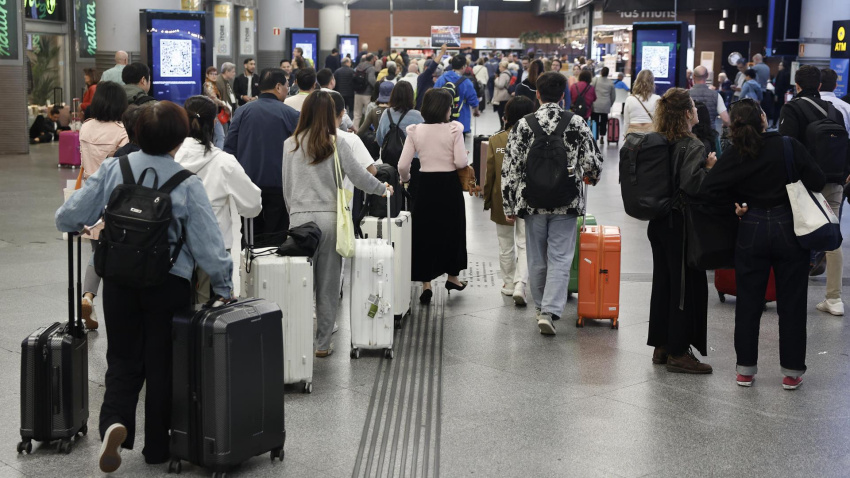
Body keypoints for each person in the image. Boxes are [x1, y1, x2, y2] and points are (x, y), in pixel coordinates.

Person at [55, 100, 234, 473]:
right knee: (163, 364)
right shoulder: (186, 183)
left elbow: (69, 217)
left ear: (135, 133)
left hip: (119, 280)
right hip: (167, 284)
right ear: (180, 137)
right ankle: (157, 447)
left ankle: (114, 422)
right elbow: (208, 245)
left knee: (121, 357)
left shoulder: (114, 168)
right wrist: (222, 284)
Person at [699, 98, 824, 390]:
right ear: (764, 119)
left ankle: (745, 370)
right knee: (791, 301)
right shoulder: (788, 145)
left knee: (748, 302)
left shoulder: (736, 152)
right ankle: (791, 372)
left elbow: (709, 190)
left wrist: (736, 204)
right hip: (789, 228)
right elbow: (817, 180)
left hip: (751, 226)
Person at [282, 90, 391, 357]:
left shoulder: (290, 143)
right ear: (331, 115)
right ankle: (322, 345)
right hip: (330, 221)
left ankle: (295, 340)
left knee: (299, 284)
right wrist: (381, 188)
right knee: (328, 286)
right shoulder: (337, 142)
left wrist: (294, 214)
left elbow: (286, 185)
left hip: (299, 221)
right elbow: (359, 176)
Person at [502, 72, 602, 334]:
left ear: (537, 94)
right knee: (560, 257)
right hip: (566, 201)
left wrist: (509, 204)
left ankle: (539, 308)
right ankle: (549, 311)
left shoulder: (524, 125)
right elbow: (592, 164)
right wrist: (590, 176)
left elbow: (510, 168)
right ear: (562, 95)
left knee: (536, 257)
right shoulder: (577, 123)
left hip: (532, 202)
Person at [646, 88, 717, 373]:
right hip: (681, 224)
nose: (697, 111)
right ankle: (678, 351)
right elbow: (692, 185)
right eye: (694, 108)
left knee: (664, 283)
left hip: (659, 221)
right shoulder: (692, 145)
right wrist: (710, 168)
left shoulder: (660, 141)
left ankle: (661, 345)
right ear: (687, 113)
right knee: (684, 288)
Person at [175, 96, 262, 303]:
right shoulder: (224, 162)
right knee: (211, 317)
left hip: (174, 246)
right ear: (214, 122)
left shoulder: (171, 157)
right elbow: (252, 204)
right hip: (214, 247)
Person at [779, 65, 850, 316]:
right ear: (820, 86)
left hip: (803, 184)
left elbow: (786, 146)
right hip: (834, 180)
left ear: (796, 85)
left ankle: (791, 295)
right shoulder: (835, 110)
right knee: (832, 237)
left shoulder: (792, 108)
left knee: (797, 234)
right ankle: (834, 299)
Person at [397, 88, 469, 305]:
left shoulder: (415, 130)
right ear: (444, 108)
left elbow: (402, 165)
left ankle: (426, 284)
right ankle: (453, 277)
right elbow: (460, 163)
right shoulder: (454, 130)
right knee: (453, 230)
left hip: (425, 185)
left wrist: (406, 178)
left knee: (424, 233)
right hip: (449, 186)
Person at [76, 81, 130, 329]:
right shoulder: (121, 131)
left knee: (97, 248)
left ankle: (89, 299)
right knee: (109, 251)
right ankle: (93, 299)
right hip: (113, 197)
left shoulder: (85, 127)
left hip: (89, 193)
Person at [224, 68, 300, 238]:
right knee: (277, 235)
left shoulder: (242, 111)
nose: (288, 90)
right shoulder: (291, 114)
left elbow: (229, 149)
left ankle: (250, 263)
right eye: (287, 85)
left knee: (250, 235)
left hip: (248, 183)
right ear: (278, 86)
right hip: (280, 184)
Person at [484, 96, 535, 306]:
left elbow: (490, 175)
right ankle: (521, 284)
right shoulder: (534, 138)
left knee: (505, 245)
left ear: (507, 115)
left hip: (500, 198)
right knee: (524, 244)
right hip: (527, 198)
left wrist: (487, 199)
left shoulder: (496, 140)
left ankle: (507, 284)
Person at [433, 55, 481, 136]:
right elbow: (473, 101)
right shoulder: (466, 82)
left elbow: (433, 95)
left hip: (442, 118)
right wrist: (476, 111)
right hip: (461, 119)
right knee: (459, 145)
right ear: (463, 67)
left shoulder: (442, 78)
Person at [376, 80, 423, 147]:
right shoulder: (418, 116)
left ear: (393, 95)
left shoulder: (386, 113)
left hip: (390, 155)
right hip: (412, 156)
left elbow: (379, 139)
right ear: (411, 96)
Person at [689, 65, 730, 131]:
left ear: (693, 76)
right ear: (707, 76)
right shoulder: (715, 95)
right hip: (710, 135)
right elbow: (726, 120)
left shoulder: (686, 95)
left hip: (691, 135)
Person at [624, 69, 660, 134]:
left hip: (633, 134)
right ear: (652, 82)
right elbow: (659, 121)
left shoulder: (630, 99)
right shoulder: (657, 99)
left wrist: (625, 134)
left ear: (637, 82)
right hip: (651, 134)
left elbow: (626, 122)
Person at [415, 44, 449, 110]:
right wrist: (442, 52)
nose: (435, 70)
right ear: (426, 68)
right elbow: (432, 67)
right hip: (422, 110)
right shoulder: (423, 77)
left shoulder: (432, 79)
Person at [591, 67, 617, 145]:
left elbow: (591, 90)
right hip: (606, 104)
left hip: (595, 104)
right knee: (603, 121)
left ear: (601, 72)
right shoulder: (610, 82)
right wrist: (610, 104)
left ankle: (594, 136)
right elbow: (613, 96)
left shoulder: (595, 80)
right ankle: (602, 136)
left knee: (594, 120)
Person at [820, 68, 850, 135]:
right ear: (835, 86)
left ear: (818, 85)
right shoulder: (847, 108)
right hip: (841, 144)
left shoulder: (805, 104)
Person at [353, 54, 379, 127]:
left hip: (357, 93)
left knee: (357, 114)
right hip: (367, 94)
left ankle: (355, 130)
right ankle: (365, 131)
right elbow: (371, 79)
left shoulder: (359, 66)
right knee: (367, 114)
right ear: (371, 60)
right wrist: (376, 86)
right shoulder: (371, 68)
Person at [492, 60, 513, 129]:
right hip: (505, 96)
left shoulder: (503, 75)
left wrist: (496, 79)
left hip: (502, 96)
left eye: (500, 67)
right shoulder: (508, 73)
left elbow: (500, 85)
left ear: (503, 67)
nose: (499, 68)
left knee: (501, 113)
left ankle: (502, 127)